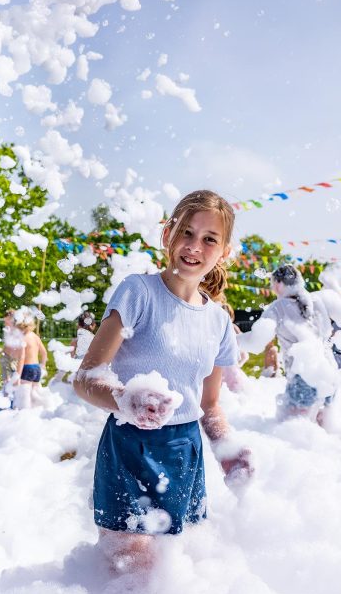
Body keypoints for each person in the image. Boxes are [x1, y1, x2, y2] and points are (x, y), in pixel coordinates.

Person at [73, 189, 253, 574]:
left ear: (225, 251)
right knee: (128, 572)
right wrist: (124, 398)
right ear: (167, 234)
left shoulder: (219, 320)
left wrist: (227, 448)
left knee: (173, 574)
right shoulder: (138, 292)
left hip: (185, 451)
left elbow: (209, 406)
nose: (194, 247)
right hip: (129, 445)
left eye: (209, 239)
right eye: (186, 233)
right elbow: (85, 378)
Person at [243, 264, 336, 425]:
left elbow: (256, 342)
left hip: (303, 377)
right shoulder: (316, 301)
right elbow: (328, 331)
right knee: (323, 430)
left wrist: (230, 338)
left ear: (278, 284)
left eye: (272, 284)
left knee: (294, 431)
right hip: (329, 372)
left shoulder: (278, 307)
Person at [13, 306, 48, 409]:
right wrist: (43, 365)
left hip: (27, 368)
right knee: (35, 393)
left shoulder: (23, 338)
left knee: (26, 396)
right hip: (37, 368)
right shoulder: (35, 336)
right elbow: (44, 353)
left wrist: (18, 375)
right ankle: (43, 408)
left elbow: (22, 358)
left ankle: (25, 413)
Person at [0, 309, 25, 400]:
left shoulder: (18, 332)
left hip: (14, 359)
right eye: (5, 321)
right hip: (6, 357)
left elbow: (21, 353)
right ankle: (6, 398)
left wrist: (18, 373)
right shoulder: (7, 330)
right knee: (6, 380)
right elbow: (7, 345)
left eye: (7, 321)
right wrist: (1, 351)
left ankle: (15, 399)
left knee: (15, 380)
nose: (5, 323)